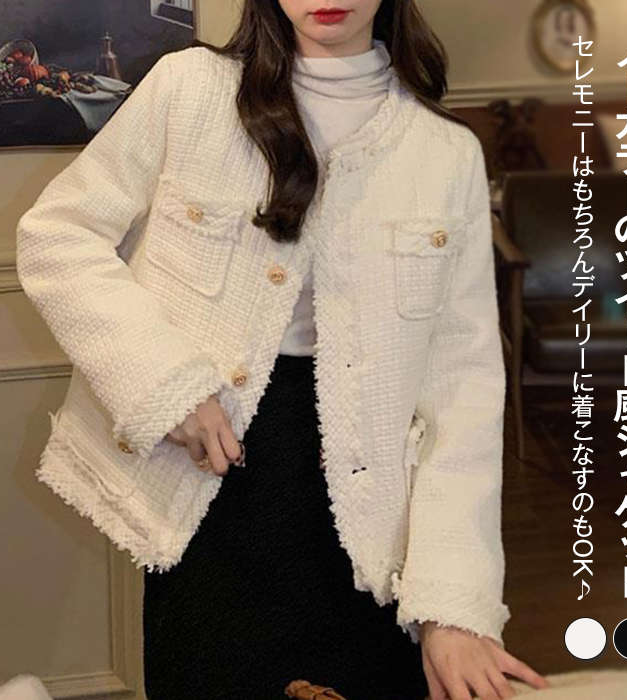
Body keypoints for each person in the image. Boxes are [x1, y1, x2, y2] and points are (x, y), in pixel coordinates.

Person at [16, 2, 551, 699]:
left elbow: (463, 391)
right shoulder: (190, 90)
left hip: (376, 509)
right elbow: (58, 236)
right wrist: (164, 386)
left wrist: (453, 607)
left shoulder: (444, 152)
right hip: (213, 481)